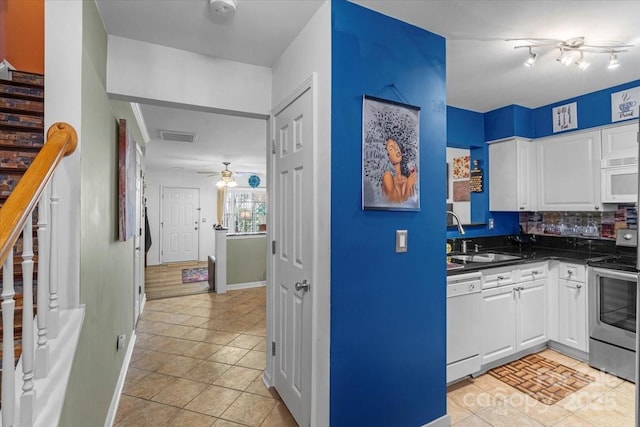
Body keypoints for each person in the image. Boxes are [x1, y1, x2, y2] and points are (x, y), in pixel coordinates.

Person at [381, 138, 416, 203]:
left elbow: (412, 201)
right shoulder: (387, 177)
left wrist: (411, 182)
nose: (396, 148)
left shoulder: (405, 178)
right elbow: (393, 201)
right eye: (391, 149)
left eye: (396, 145)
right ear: (387, 156)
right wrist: (408, 185)